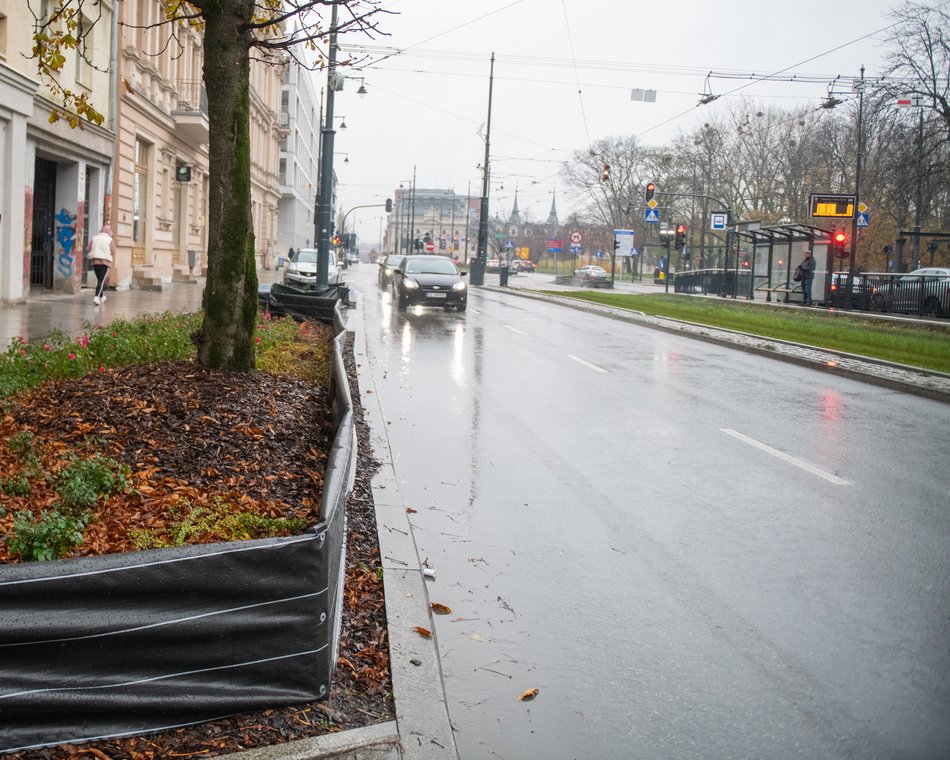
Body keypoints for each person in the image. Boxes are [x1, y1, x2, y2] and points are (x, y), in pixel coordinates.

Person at [86, 223, 116, 305]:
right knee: (101, 281)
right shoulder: (110, 240)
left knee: (100, 280)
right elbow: (113, 251)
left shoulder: (94, 238)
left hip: (95, 262)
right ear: (109, 232)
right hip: (105, 263)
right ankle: (96, 297)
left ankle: (101, 297)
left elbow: (88, 249)